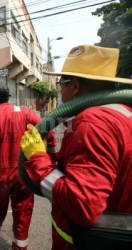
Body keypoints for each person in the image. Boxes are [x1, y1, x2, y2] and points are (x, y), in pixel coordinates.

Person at [20, 44, 132, 250]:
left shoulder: (94, 123)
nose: (60, 89)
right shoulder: (122, 113)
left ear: (76, 86)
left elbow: (83, 204)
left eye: (62, 82)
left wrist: (37, 157)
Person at [0, 82, 56, 250]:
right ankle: (20, 247)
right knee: (22, 212)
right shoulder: (25, 113)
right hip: (23, 175)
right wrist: (50, 154)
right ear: (7, 98)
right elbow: (48, 128)